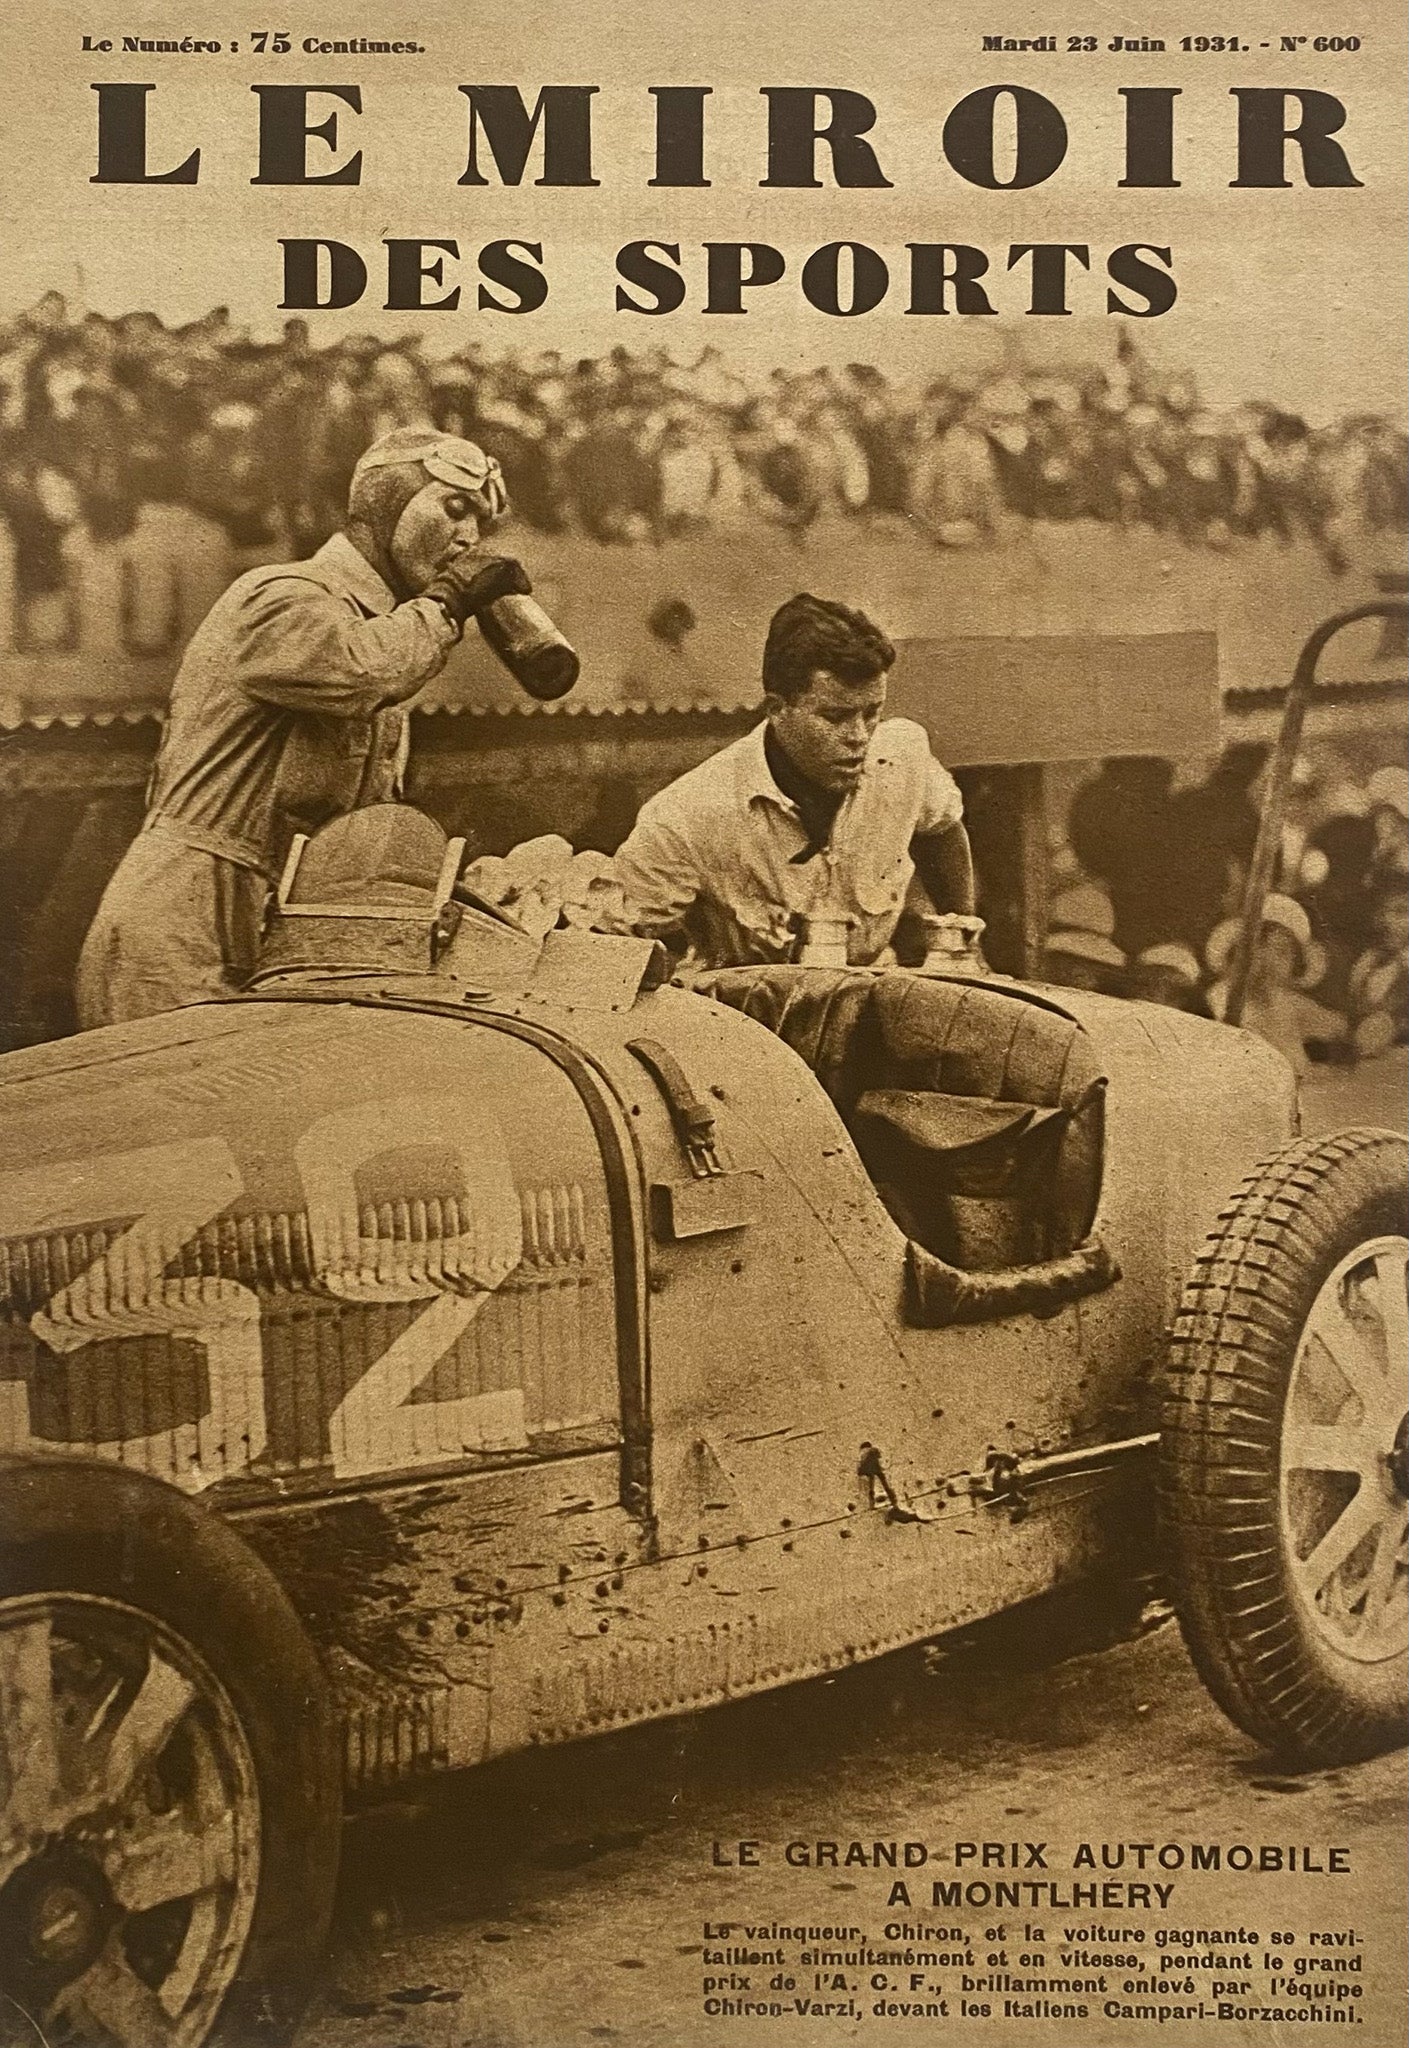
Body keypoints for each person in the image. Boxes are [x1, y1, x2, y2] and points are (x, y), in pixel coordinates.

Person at [75, 428, 530, 1027]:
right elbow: (362, 670)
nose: (467, 537)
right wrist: (447, 603)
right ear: (386, 506)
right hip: (185, 917)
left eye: (479, 523)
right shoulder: (282, 596)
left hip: (277, 925)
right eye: (454, 508)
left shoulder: (385, 627)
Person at [612, 592, 975, 970]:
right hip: (751, 1017)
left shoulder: (901, 754)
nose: (859, 736)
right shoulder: (684, 816)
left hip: (871, 990)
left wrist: (962, 934)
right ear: (777, 709)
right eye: (835, 717)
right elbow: (618, 941)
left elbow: (943, 827)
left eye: (871, 713)